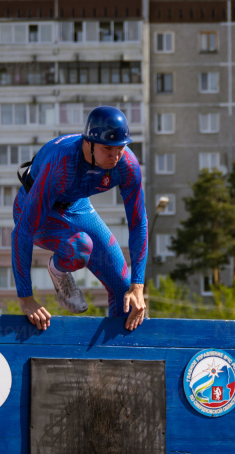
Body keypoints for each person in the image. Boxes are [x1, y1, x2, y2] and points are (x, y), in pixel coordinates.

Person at [11, 106, 148, 331]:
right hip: (36, 207)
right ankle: (58, 270)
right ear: (88, 143)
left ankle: (115, 359)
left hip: (76, 205)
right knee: (80, 246)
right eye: (107, 149)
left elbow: (138, 223)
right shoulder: (63, 163)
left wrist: (138, 284)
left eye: (121, 149)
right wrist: (26, 299)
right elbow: (22, 232)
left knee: (126, 293)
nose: (115, 157)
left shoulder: (128, 165)